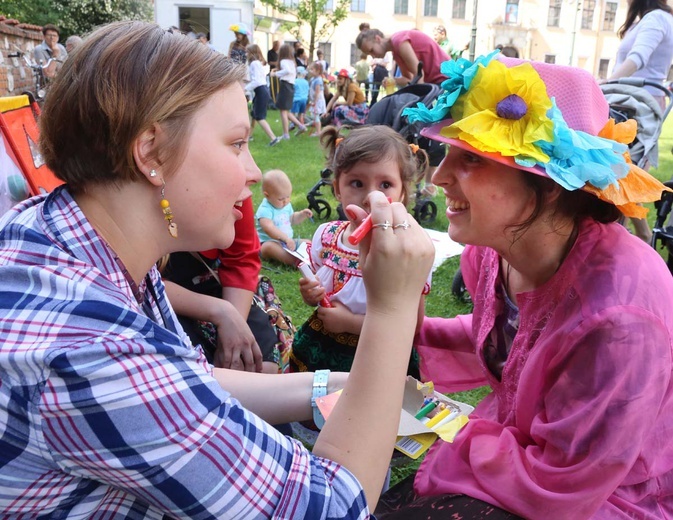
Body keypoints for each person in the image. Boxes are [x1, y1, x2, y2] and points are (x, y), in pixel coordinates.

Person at [0, 20, 436, 517]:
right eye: (235, 143)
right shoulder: (89, 354)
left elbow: (187, 384)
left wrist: (330, 385)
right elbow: (332, 508)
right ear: (151, 154)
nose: (253, 171)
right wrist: (394, 309)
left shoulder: (62, 233)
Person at [376, 52, 673, 518]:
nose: (439, 175)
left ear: (551, 186)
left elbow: (566, 483)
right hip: (524, 454)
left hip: (601, 495)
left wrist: (454, 434)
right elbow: (510, 340)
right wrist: (398, 315)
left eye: (471, 158)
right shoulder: (493, 251)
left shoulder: (619, 317)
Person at [291, 125, 430, 376]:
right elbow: (322, 291)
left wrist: (351, 323)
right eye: (357, 183)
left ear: (402, 193)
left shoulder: (408, 251)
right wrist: (311, 294)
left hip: (380, 357)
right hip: (322, 347)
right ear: (337, 188)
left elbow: (413, 326)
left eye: (385, 184)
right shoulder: (326, 236)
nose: (370, 197)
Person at [161, 197, 278, 374]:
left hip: (214, 286)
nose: (255, 174)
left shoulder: (237, 189)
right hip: (158, 300)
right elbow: (135, 278)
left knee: (259, 361)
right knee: (197, 369)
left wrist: (232, 319)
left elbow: (242, 257)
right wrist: (220, 312)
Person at [607, 0, 673, 243]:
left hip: (638, 107)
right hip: (629, 103)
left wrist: (605, 83)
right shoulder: (648, 19)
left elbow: (639, 58)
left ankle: (628, 240)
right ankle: (641, 237)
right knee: (620, 174)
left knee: (617, 174)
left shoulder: (656, 18)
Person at [357, 28, 451, 196]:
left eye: (371, 50)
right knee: (427, 133)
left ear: (378, 38)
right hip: (434, 87)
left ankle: (429, 185)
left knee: (433, 135)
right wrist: (393, 80)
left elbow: (419, 76)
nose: (373, 56)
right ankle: (424, 184)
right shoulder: (396, 52)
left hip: (444, 84)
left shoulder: (400, 40)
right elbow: (410, 79)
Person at [256, 169, 313, 265]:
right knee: (268, 247)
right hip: (269, 242)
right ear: (267, 195)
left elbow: (292, 219)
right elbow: (269, 228)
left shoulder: (285, 205)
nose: (286, 201)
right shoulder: (265, 210)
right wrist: (285, 239)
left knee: (308, 243)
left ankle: (314, 256)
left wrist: (302, 214)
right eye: (281, 199)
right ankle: (296, 262)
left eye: (288, 196)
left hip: (287, 242)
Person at [245, 43, 281, 146]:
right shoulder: (257, 63)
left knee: (260, 117)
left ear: (252, 53)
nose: (245, 53)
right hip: (262, 91)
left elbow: (256, 82)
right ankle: (249, 136)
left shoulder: (254, 64)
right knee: (254, 115)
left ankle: (273, 138)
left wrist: (245, 89)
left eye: (247, 51)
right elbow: (257, 79)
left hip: (260, 91)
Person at [270, 43, 307, 139]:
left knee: (283, 110)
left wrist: (276, 74)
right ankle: (300, 125)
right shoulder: (292, 62)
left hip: (285, 86)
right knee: (286, 111)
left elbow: (287, 71)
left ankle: (286, 134)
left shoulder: (283, 61)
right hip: (291, 86)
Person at [308, 61, 327, 136]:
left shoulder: (318, 80)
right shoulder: (313, 79)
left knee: (316, 116)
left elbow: (317, 92)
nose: (310, 71)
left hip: (318, 101)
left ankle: (318, 131)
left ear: (318, 71)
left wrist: (315, 102)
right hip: (315, 100)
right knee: (314, 116)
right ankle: (317, 130)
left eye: (312, 69)